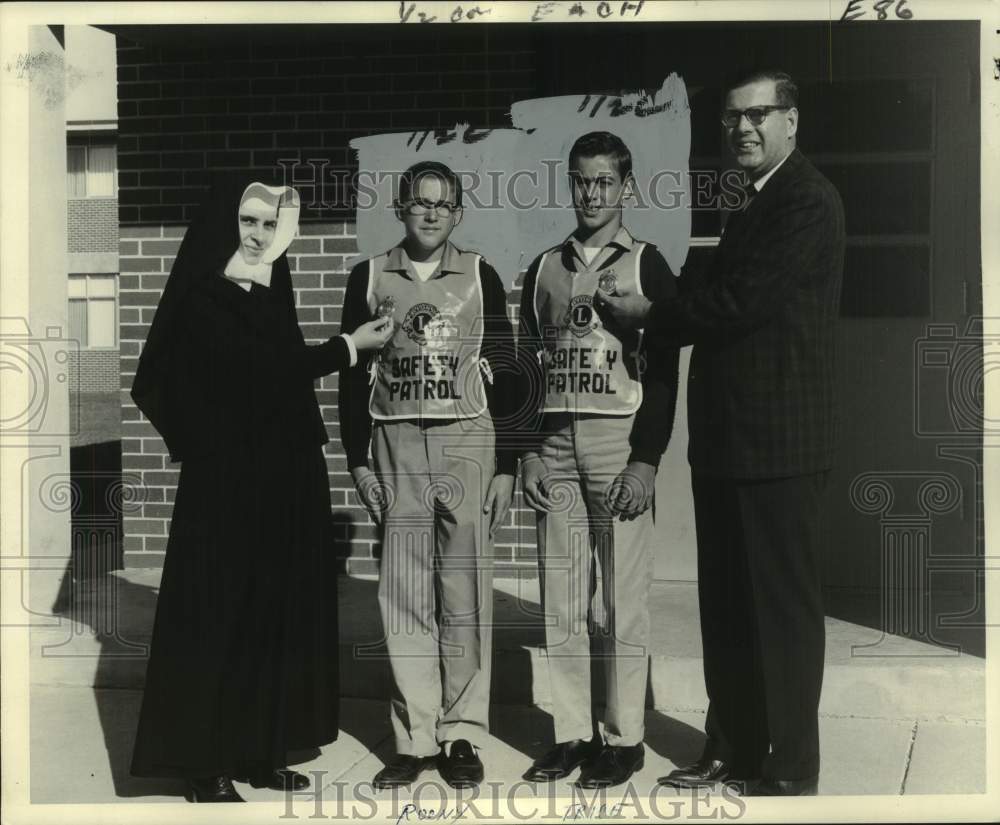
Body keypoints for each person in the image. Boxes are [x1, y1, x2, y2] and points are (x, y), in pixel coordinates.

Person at [596, 70, 845, 796]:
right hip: (731, 444)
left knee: (782, 617)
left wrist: (648, 312)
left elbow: (738, 304)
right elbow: (713, 292)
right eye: (732, 118)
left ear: (791, 121)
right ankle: (730, 748)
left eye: (759, 115)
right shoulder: (751, 201)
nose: (742, 129)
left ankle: (791, 770)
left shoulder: (806, 200)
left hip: (781, 446)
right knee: (729, 610)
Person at [130, 176, 392, 803]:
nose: (257, 236)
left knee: (273, 611)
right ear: (226, 225)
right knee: (221, 616)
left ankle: (261, 748)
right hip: (225, 483)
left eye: (269, 226)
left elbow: (277, 374)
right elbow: (261, 370)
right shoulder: (204, 294)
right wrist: (347, 350)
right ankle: (205, 763)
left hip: (283, 475)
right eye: (248, 223)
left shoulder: (273, 285)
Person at [338, 161, 521, 790]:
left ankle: (463, 732)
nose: (432, 213)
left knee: (463, 590)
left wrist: (511, 465)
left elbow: (507, 364)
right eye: (420, 202)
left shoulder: (479, 275)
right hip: (394, 444)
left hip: (467, 442)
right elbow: (350, 375)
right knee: (405, 593)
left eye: (444, 204)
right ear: (400, 207)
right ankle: (414, 738)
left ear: (459, 213)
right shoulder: (368, 276)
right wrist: (359, 461)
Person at [518, 131, 679, 789]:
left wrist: (648, 459)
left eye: (604, 182)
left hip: (618, 443)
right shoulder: (544, 267)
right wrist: (527, 447)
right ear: (571, 185)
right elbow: (528, 365)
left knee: (621, 600)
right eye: (581, 181)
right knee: (561, 596)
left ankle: (624, 737)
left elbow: (665, 367)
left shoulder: (648, 262)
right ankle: (571, 733)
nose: (591, 193)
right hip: (556, 444)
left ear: (627, 187)